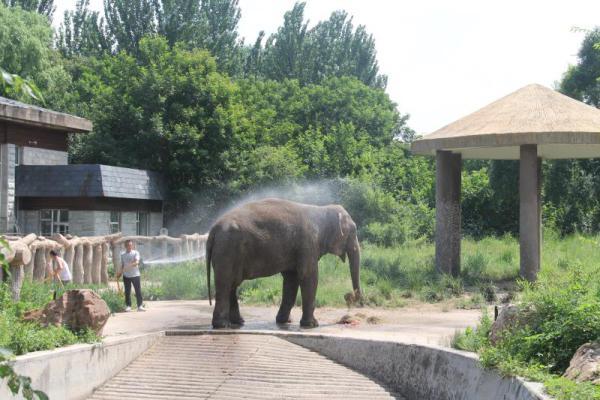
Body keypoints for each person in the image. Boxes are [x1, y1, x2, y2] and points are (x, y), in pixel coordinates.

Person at [117, 240, 145, 312]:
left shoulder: (136, 253)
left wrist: (128, 266)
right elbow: (122, 265)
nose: (129, 246)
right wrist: (119, 273)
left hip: (135, 275)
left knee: (138, 291)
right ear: (125, 246)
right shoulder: (123, 255)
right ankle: (128, 306)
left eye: (130, 245)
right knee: (127, 291)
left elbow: (136, 262)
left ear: (132, 245)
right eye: (128, 245)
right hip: (126, 276)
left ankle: (140, 306)